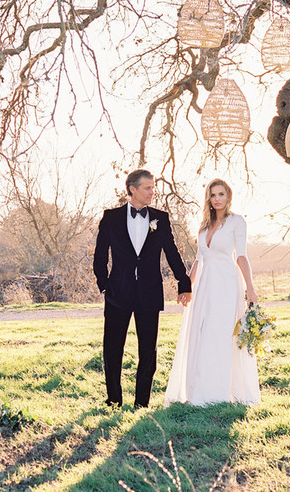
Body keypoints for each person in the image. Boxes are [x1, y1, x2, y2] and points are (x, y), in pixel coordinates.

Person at [93, 169, 192, 408]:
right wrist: (104, 284)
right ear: (132, 189)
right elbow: (99, 255)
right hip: (117, 292)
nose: (152, 192)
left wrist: (184, 282)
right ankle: (114, 400)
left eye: (153, 187)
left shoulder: (161, 218)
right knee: (112, 348)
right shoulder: (111, 218)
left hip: (149, 293)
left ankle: (142, 403)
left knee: (148, 350)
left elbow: (172, 253)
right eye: (147, 187)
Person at [165, 178, 261, 406]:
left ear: (228, 197)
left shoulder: (237, 222)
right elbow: (199, 259)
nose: (217, 199)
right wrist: (187, 287)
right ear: (208, 198)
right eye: (213, 194)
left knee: (222, 333)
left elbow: (241, 256)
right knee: (201, 332)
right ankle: (200, 392)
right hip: (204, 286)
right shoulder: (204, 226)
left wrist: (251, 289)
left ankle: (221, 394)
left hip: (226, 283)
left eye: (221, 194)